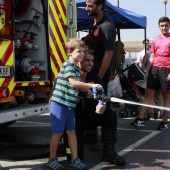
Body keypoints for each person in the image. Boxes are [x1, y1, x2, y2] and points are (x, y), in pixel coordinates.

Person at [47, 38, 102, 170]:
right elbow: (74, 83)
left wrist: (91, 93)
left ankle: (74, 159)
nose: (82, 54)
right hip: (59, 104)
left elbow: (79, 88)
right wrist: (92, 85)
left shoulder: (76, 69)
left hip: (69, 105)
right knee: (57, 133)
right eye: (79, 51)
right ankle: (51, 159)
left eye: (83, 51)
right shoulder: (68, 66)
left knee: (72, 132)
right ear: (69, 52)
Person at [75, 46, 126, 166]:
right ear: (79, 60)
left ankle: (109, 152)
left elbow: (103, 96)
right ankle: (70, 149)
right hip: (74, 118)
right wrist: (81, 93)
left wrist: (102, 105)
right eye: (87, 60)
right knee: (76, 155)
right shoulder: (69, 77)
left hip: (90, 115)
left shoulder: (94, 77)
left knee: (110, 114)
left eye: (92, 61)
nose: (91, 64)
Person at [84, 0, 116, 149]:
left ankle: (106, 140)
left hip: (99, 74)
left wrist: (99, 79)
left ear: (100, 6)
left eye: (90, 5)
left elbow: (108, 55)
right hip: (91, 72)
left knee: (101, 105)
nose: (86, 8)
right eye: (86, 4)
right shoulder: (94, 22)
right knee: (90, 104)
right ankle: (91, 137)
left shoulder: (107, 26)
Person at [131, 16, 170, 130]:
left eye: (166, 25)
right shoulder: (156, 40)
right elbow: (152, 57)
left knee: (166, 97)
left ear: (169, 26)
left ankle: (164, 122)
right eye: (162, 26)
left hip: (166, 69)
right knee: (148, 94)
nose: (164, 28)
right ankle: (140, 119)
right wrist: (147, 71)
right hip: (154, 70)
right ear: (158, 27)